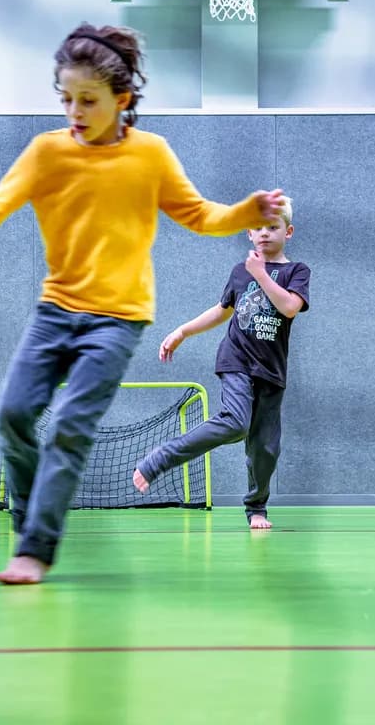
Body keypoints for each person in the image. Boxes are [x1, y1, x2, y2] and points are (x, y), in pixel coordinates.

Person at [0, 22, 287, 585]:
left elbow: (200, 215)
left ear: (122, 100)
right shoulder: (46, 153)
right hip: (56, 311)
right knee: (13, 415)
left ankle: (36, 548)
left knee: (72, 425)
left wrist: (246, 211)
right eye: (66, 98)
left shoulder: (151, 155)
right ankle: (29, 516)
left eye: (88, 100)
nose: (74, 110)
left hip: (119, 319)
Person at [133, 200, 309, 529]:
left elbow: (289, 308)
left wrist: (262, 275)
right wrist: (183, 331)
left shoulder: (296, 272)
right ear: (248, 233)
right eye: (258, 228)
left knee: (265, 448)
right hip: (237, 360)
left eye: (273, 227)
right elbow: (222, 309)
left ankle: (256, 506)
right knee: (235, 423)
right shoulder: (240, 272)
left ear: (288, 231)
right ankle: (162, 458)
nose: (265, 233)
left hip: (271, 370)